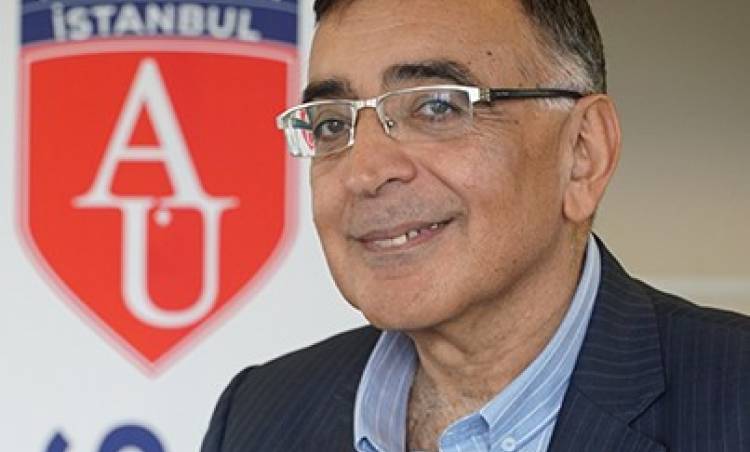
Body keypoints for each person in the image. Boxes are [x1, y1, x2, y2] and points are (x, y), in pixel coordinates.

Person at [201, 0, 750, 450]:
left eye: (436, 108)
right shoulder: (258, 416)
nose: (363, 172)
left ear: (583, 153)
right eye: (330, 124)